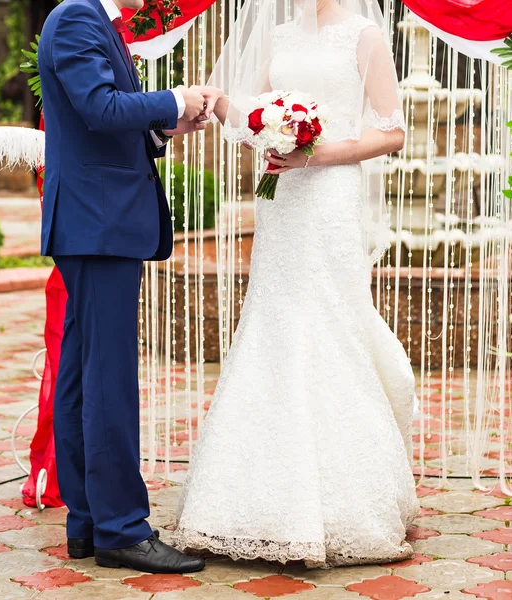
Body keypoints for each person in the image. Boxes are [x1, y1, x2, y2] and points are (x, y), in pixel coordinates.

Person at [174, 0, 420, 568]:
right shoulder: (278, 35)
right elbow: (243, 119)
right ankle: (249, 502)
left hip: (329, 195)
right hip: (281, 197)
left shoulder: (363, 35)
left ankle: (347, 500)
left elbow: (392, 131)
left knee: (328, 321)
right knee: (274, 319)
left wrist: (316, 152)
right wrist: (231, 110)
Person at [38, 0, 212, 574]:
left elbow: (107, 123)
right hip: (98, 223)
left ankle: (88, 523)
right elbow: (98, 107)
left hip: (97, 221)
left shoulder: (91, 23)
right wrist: (175, 99)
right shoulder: (75, 18)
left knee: (82, 376)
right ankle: (121, 529)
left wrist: (166, 124)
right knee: (109, 379)